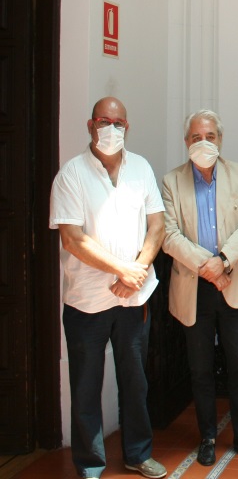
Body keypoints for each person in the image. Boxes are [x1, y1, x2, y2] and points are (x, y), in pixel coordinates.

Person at [49, 97, 167, 479]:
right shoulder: (70, 175)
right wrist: (123, 269)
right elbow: (72, 239)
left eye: (119, 123)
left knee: (135, 383)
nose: (112, 129)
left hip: (134, 299)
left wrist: (138, 270)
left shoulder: (142, 168)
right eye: (104, 121)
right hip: (86, 303)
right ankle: (90, 464)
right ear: (90, 125)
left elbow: (157, 227)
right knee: (86, 387)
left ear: (127, 128)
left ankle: (138, 453)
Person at [161, 109, 238, 466]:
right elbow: (169, 236)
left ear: (220, 140)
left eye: (209, 136)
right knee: (200, 368)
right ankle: (207, 435)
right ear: (186, 142)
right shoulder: (171, 181)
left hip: (234, 280)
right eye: (195, 137)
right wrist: (208, 269)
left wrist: (221, 261)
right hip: (195, 289)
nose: (202, 142)